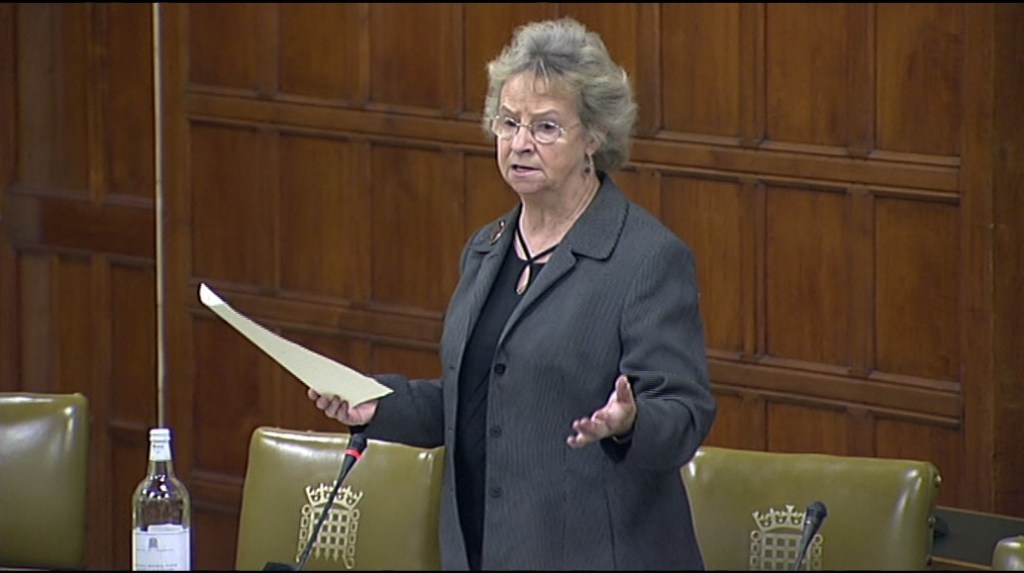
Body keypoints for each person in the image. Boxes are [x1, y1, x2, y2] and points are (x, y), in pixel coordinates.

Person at [308, 17, 717, 571]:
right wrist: (375, 404)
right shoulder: (487, 248)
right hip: (482, 550)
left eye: (546, 128)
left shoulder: (645, 259)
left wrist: (631, 420)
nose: (519, 144)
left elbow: (686, 415)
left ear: (593, 137)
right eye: (508, 123)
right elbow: (477, 402)